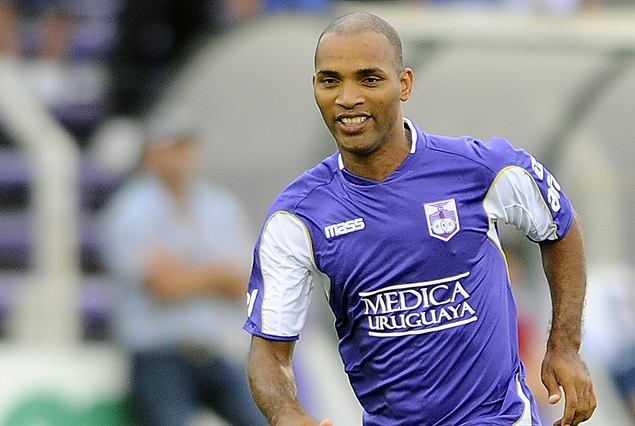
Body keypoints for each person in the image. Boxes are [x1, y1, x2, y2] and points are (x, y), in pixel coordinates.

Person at [243, 12, 597, 426]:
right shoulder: (297, 216)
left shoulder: (481, 169)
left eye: (369, 79)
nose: (348, 97)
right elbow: (268, 352)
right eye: (330, 80)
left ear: (404, 83)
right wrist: (288, 414)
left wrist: (565, 344)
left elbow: (560, 226)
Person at [102, 107, 268, 426]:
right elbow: (165, 287)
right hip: (157, 356)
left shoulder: (219, 206)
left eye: (184, 146)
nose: (179, 156)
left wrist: (188, 272)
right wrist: (214, 273)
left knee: (264, 419)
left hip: (214, 350)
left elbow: (243, 284)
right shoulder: (131, 210)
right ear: (151, 154)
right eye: (170, 148)